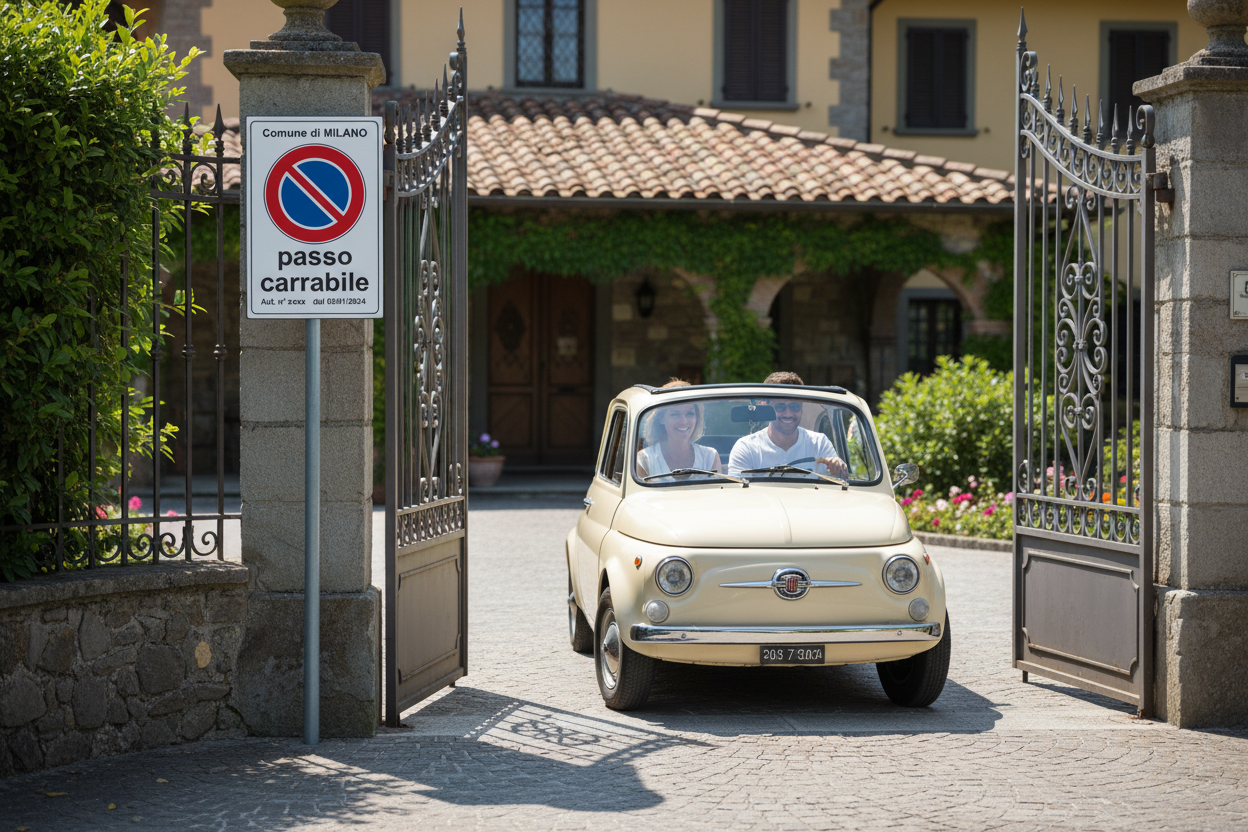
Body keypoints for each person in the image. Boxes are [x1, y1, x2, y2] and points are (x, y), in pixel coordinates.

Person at [727, 371, 849, 478]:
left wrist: (838, 470)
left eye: (794, 406)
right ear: (766, 406)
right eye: (780, 407)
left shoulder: (819, 443)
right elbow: (738, 494)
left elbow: (839, 487)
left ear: (802, 407)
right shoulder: (746, 448)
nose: (788, 413)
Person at [635, 379, 723, 481]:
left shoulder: (710, 457)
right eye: (675, 414)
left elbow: (716, 495)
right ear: (661, 418)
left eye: (690, 413)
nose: (683, 421)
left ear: (697, 418)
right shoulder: (644, 460)